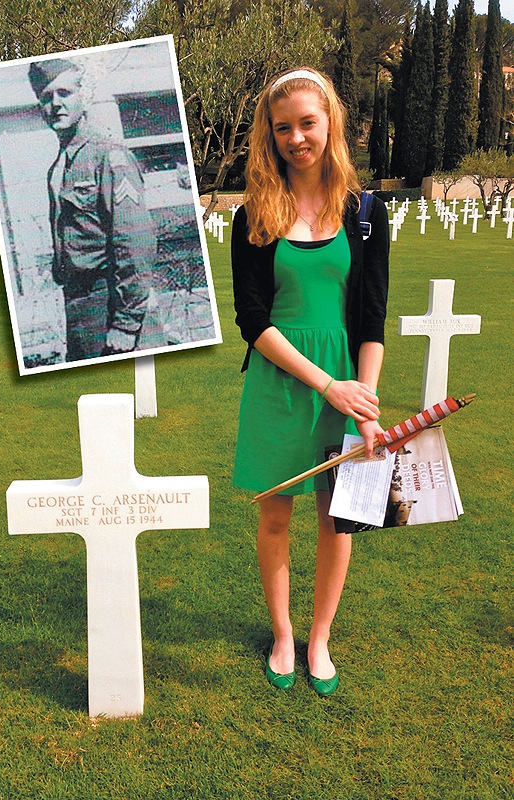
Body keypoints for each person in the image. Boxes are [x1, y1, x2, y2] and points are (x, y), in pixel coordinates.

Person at [231, 68, 389, 696]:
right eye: (283, 128)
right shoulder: (253, 213)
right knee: (275, 516)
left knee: (335, 518)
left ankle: (319, 636)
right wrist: (329, 386)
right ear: (269, 136)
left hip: (348, 389)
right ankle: (280, 632)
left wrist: (365, 406)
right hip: (280, 380)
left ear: (331, 123)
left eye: (307, 123)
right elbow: (252, 320)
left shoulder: (367, 212)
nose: (296, 137)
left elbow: (371, 316)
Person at [28, 58, 157, 362]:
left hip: (110, 303)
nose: (55, 104)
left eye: (64, 93)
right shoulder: (58, 167)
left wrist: (126, 324)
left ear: (83, 96)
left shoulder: (110, 157)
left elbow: (134, 240)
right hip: (79, 307)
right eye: (46, 98)